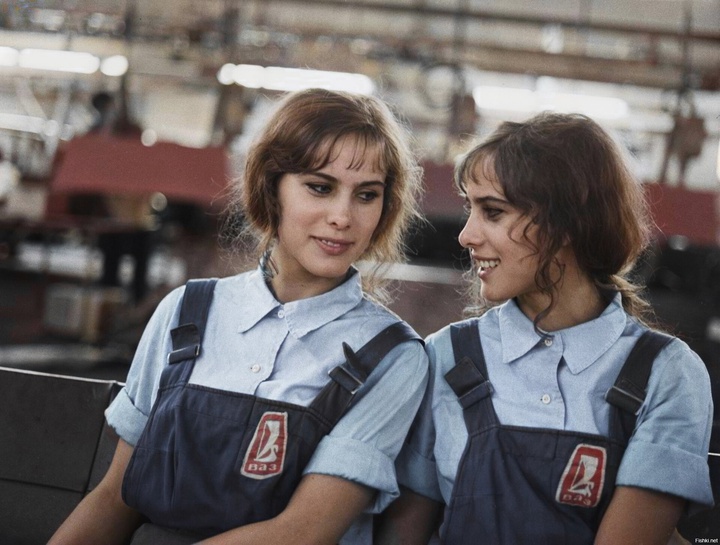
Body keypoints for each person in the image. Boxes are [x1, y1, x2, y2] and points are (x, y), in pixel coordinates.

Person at [49, 88, 429, 545]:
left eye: (366, 195)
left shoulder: (392, 358)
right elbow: (115, 498)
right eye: (320, 187)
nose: (342, 216)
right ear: (271, 187)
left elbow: (302, 533)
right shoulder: (185, 314)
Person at [376, 112, 714, 545]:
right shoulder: (444, 357)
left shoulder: (666, 375)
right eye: (470, 209)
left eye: (493, 212)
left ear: (567, 222)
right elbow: (404, 531)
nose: (466, 235)